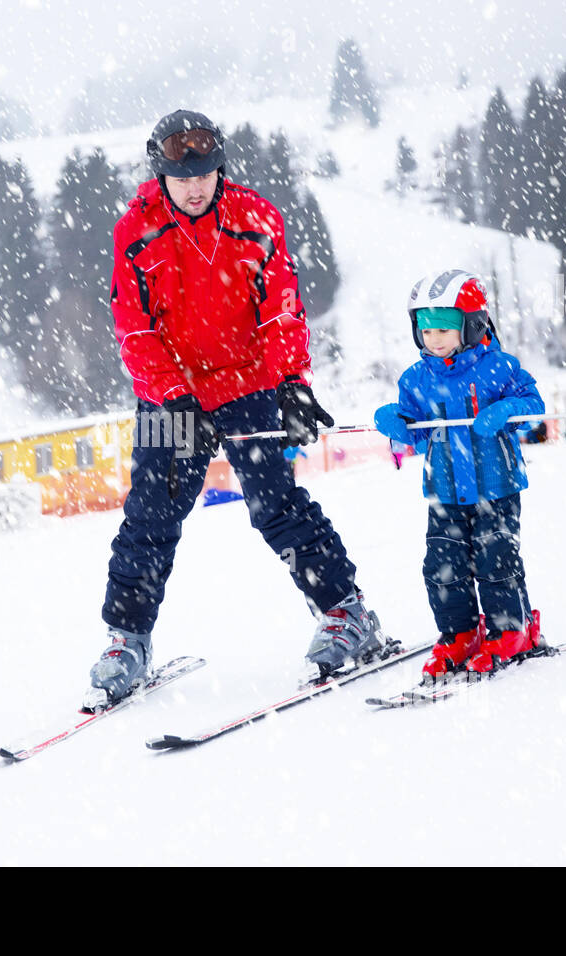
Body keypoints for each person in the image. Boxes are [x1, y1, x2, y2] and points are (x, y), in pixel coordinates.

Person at [84, 109, 389, 709]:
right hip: (174, 391)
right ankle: (127, 641)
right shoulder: (135, 231)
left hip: (248, 382)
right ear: (161, 174)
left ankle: (346, 613)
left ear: (219, 167)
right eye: (182, 176)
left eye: (205, 173)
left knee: (276, 506)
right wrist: (176, 398)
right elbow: (134, 330)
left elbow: (281, 310)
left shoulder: (255, 218)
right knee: (151, 515)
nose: (196, 186)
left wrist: (293, 384)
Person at [373, 269, 546, 682]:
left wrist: (507, 410)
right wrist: (397, 421)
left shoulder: (500, 367)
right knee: (442, 565)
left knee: (495, 560)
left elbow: (533, 404)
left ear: (471, 325)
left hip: (496, 486)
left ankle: (512, 630)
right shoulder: (416, 378)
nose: (434, 339)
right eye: (425, 329)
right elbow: (411, 427)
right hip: (443, 490)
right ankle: (461, 634)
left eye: (445, 329)